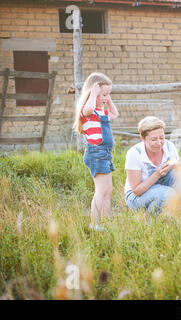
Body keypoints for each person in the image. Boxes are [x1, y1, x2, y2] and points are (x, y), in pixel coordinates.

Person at [73, 72, 119, 231]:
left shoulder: (102, 111)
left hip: (105, 154)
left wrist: (107, 98)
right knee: (100, 191)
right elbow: (90, 106)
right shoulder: (88, 111)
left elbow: (115, 113)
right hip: (96, 153)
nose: (106, 98)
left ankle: (106, 221)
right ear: (91, 93)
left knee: (108, 190)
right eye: (103, 95)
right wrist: (93, 93)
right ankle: (94, 223)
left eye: (108, 94)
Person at [124, 116, 181, 224]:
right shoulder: (134, 153)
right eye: (153, 139)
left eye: (162, 138)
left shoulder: (169, 147)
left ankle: (175, 216)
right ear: (143, 139)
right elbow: (136, 191)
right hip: (136, 196)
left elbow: (178, 168)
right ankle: (150, 224)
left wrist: (179, 166)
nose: (159, 142)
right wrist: (157, 174)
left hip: (159, 187)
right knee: (167, 194)